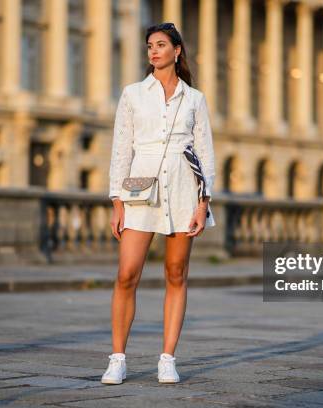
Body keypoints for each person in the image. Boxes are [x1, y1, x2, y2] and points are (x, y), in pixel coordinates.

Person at [102, 22, 216, 385]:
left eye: (161, 44)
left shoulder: (194, 98)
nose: (153, 51)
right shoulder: (133, 94)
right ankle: (117, 358)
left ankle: (167, 358)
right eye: (150, 45)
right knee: (126, 274)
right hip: (140, 192)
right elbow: (122, 147)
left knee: (176, 273)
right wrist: (117, 201)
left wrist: (203, 203)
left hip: (184, 189)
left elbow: (205, 153)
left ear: (177, 51)